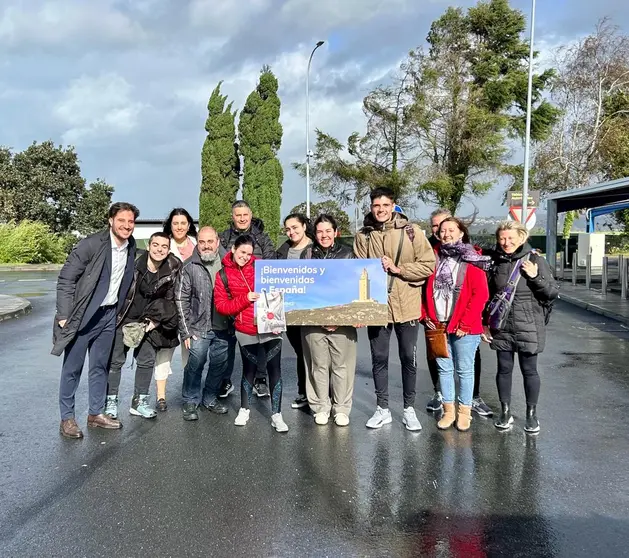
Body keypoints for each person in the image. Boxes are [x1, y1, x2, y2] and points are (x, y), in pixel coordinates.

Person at [53, 202, 138, 439]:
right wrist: (64, 316)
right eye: (121, 220)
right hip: (82, 316)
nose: (126, 226)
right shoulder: (91, 244)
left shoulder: (130, 246)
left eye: (131, 221)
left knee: (100, 366)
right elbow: (66, 280)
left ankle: (95, 414)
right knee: (73, 368)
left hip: (108, 315)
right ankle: (67, 418)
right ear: (111, 220)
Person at [354, 187, 436, 431]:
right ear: (371, 207)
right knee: (379, 358)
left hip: (407, 306)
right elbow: (359, 270)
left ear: (393, 206)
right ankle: (382, 408)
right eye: (376, 206)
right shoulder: (363, 235)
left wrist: (399, 269)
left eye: (385, 205)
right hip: (377, 307)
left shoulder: (412, 232)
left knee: (407, 359)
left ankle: (409, 409)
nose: (380, 210)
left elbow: (428, 265)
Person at [484, 220, 558, 434]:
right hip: (502, 325)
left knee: (529, 371)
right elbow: (487, 295)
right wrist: (484, 324)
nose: (506, 242)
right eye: (502, 238)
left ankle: (531, 414)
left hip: (529, 324)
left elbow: (551, 292)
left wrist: (535, 276)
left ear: (522, 238)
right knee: (504, 369)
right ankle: (505, 411)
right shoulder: (495, 261)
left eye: (510, 238)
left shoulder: (535, 260)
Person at [214, 234, 289, 432]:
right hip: (245, 328)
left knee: (275, 369)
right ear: (233, 250)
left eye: (249, 253)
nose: (245, 256)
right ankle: (244, 409)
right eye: (242, 252)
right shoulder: (222, 275)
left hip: (271, 326)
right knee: (249, 370)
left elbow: (285, 285)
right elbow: (222, 306)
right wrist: (245, 299)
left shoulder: (263, 268)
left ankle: (276, 414)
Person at [421, 217, 491, 431]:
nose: (446, 234)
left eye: (451, 230)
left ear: (461, 233)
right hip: (438, 323)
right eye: (442, 230)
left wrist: (466, 323)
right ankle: (448, 410)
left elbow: (480, 294)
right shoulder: (432, 257)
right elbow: (424, 290)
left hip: (464, 326)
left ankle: (464, 412)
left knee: (464, 370)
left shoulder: (471, 258)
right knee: (443, 369)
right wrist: (426, 316)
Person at [104, 232, 181, 419]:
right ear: (149, 245)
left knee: (146, 361)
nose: (159, 249)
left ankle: (139, 402)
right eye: (156, 245)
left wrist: (154, 323)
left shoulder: (172, 267)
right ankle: (110, 401)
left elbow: (170, 300)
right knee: (116, 362)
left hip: (149, 320)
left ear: (168, 250)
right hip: (124, 318)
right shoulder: (134, 263)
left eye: (164, 247)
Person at [300, 214, 357, 427]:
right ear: (315, 234)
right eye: (320, 231)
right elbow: (302, 289)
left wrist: (340, 318)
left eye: (328, 231)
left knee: (342, 366)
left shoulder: (348, 254)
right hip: (313, 322)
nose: (324, 235)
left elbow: (352, 289)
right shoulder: (306, 256)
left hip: (342, 324)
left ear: (335, 232)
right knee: (317, 366)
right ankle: (321, 406)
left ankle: (341, 408)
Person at [219, 200, 276, 398]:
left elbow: (270, 264)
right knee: (227, 344)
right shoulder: (224, 238)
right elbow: (222, 264)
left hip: (257, 298)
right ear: (232, 216)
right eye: (238, 215)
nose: (242, 218)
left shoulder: (263, 238)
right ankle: (225, 381)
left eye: (245, 215)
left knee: (259, 343)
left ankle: (260, 380)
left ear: (250, 215)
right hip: (232, 296)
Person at [175, 227, 233, 421]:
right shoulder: (189, 266)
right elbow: (181, 300)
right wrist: (186, 332)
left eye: (210, 241)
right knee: (195, 364)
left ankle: (209, 397)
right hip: (198, 328)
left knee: (219, 365)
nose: (206, 245)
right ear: (197, 243)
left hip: (223, 327)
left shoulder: (229, 263)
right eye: (202, 242)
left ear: (217, 242)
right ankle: (190, 400)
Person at [151, 207, 198, 412]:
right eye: (175, 223)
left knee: (190, 351)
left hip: (191, 308)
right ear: (170, 225)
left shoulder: (198, 245)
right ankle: (161, 396)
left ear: (189, 225)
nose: (179, 227)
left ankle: (189, 392)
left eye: (183, 223)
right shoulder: (164, 245)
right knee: (164, 351)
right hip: (168, 307)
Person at [276, 213, 313, 410]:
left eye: (295, 227)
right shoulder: (282, 251)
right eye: (288, 229)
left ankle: (322, 393)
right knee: (301, 352)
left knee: (315, 352)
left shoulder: (315, 249)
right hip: (289, 311)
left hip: (312, 309)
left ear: (304, 226)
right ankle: (304, 393)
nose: (291, 232)